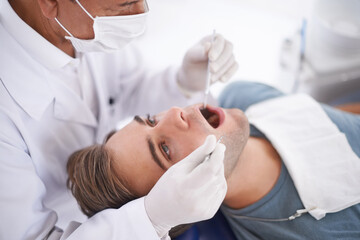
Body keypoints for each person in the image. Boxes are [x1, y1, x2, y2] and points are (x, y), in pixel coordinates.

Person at [0, 0, 239, 239]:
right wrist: (149, 222)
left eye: (150, 120)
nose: (139, 13)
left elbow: (129, 87)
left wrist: (183, 82)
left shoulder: (88, 29)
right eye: (124, 4)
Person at [66, 81, 360, 239]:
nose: (173, 112)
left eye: (151, 119)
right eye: (165, 150)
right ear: (185, 196)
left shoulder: (244, 95)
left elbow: (344, 119)